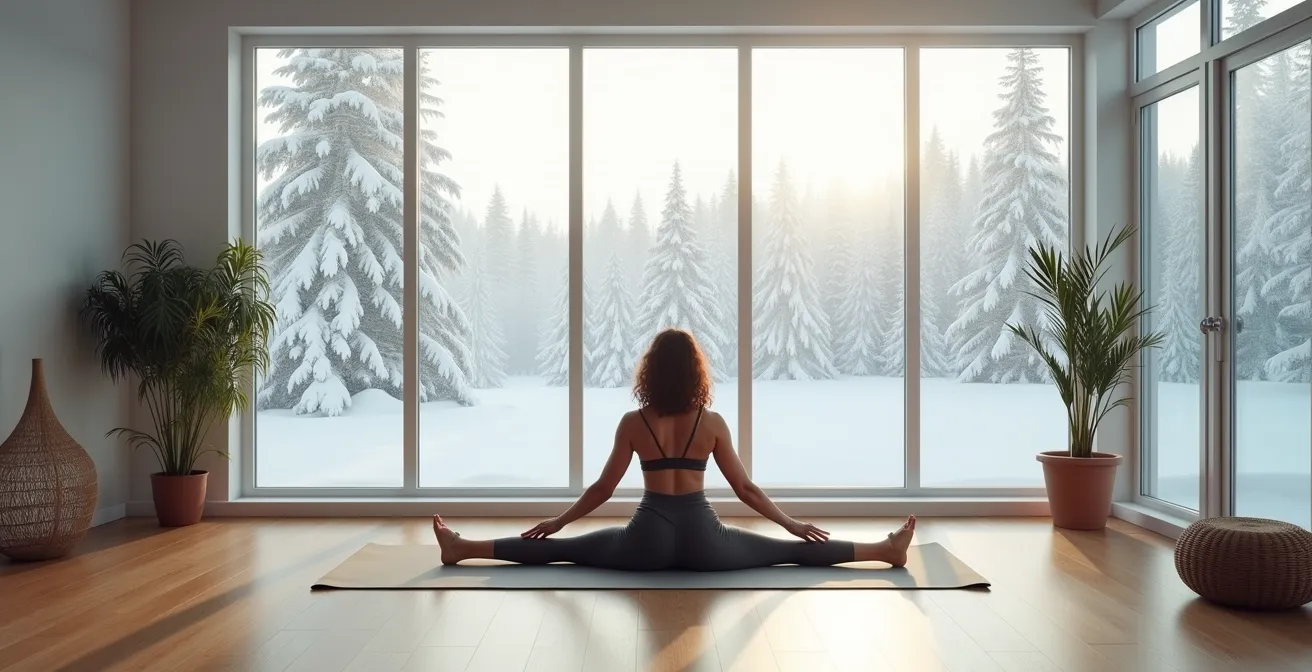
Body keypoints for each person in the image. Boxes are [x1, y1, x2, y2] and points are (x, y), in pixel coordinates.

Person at [433, 328, 916, 571]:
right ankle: (884, 550)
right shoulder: (712, 423)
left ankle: (462, 548)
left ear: (652, 373)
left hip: (644, 542)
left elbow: (603, 488)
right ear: (694, 373)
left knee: (564, 551)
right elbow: (745, 489)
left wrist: (558, 522)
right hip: (707, 542)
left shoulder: (633, 423)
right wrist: (792, 524)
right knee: (786, 552)